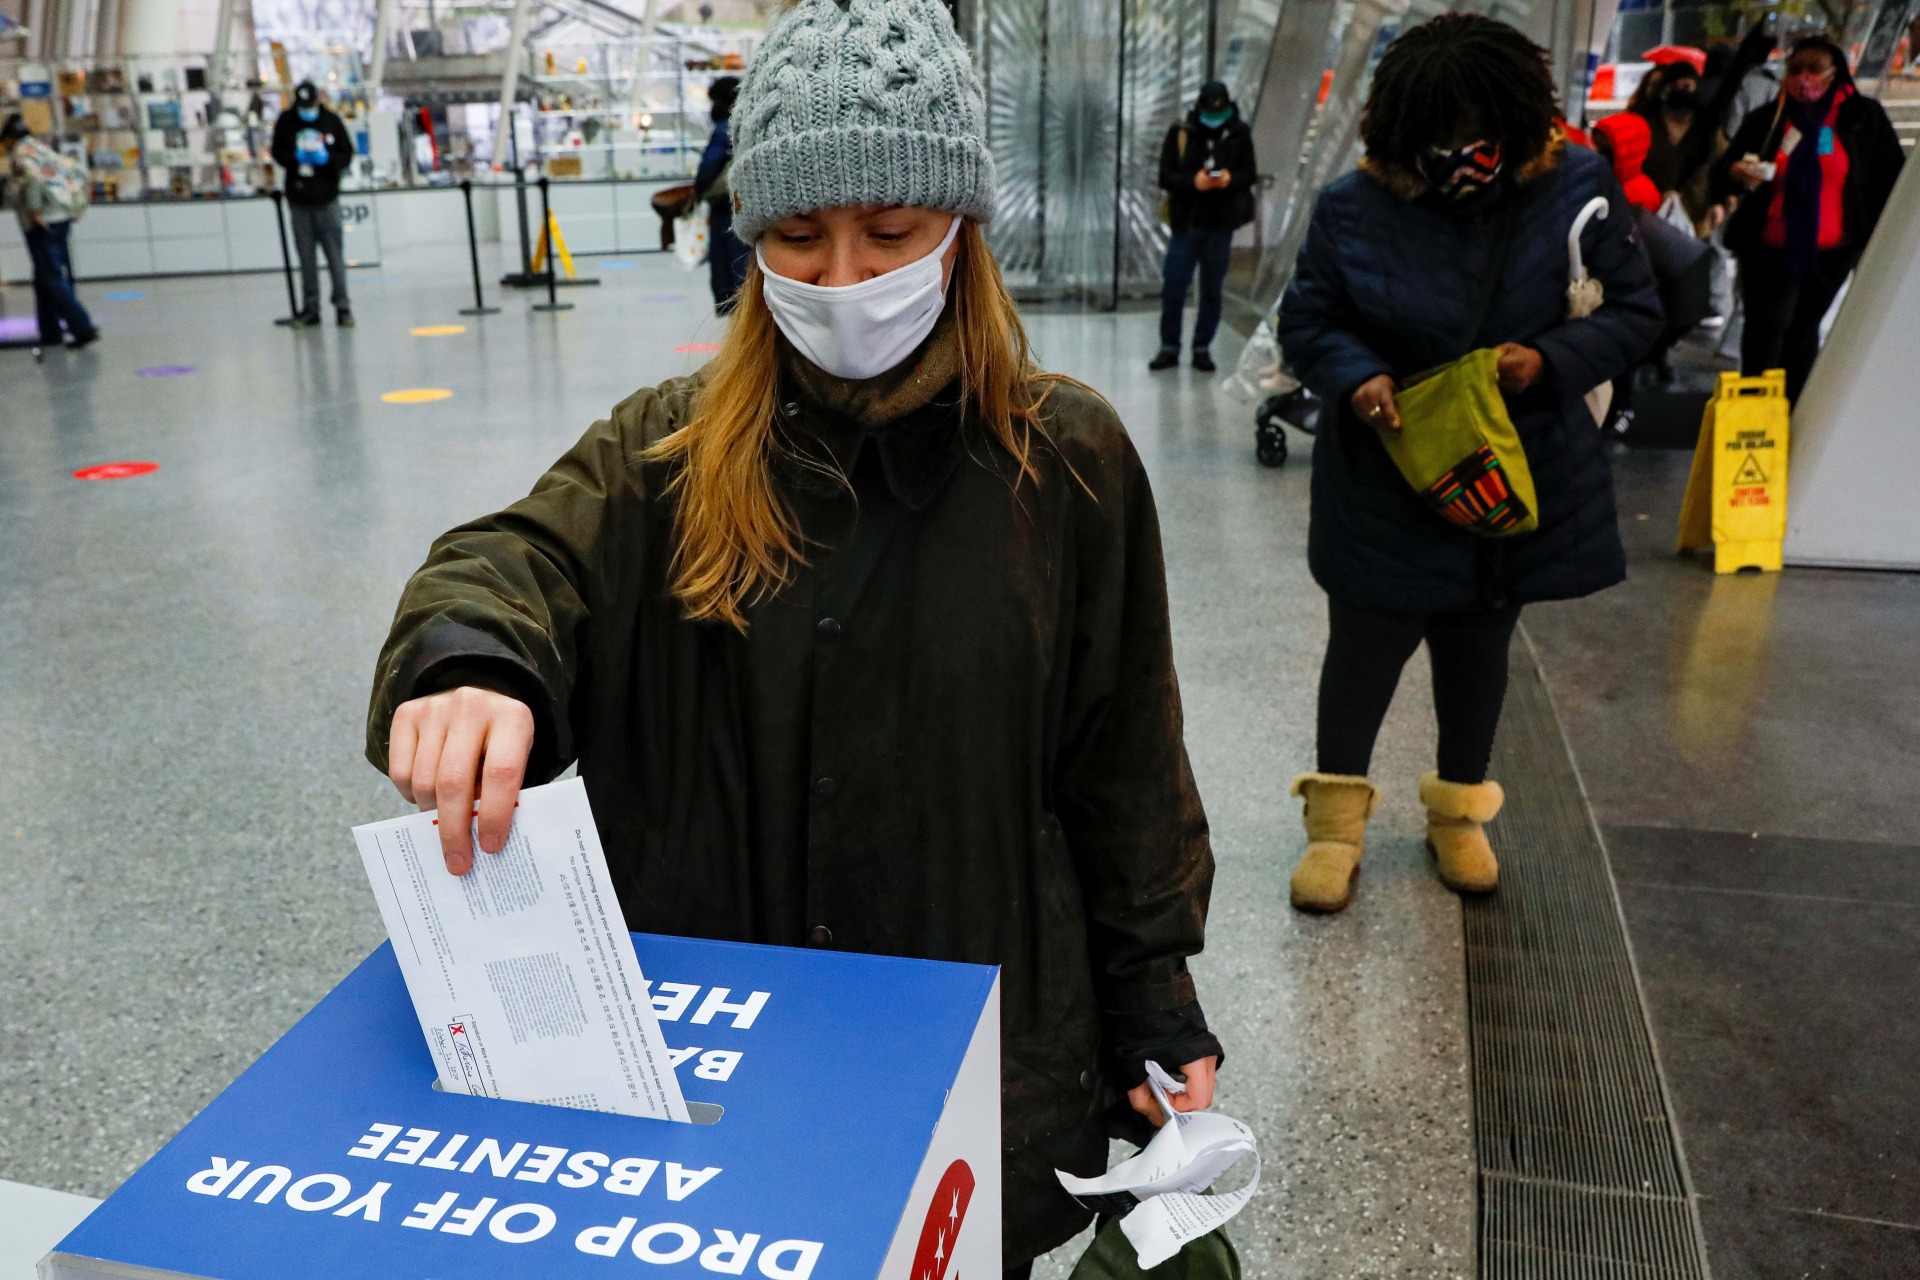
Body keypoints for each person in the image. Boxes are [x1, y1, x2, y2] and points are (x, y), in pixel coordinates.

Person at [362, 1, 1224, 1273]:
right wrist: (472, 659)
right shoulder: (668, 450)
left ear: (962, 231)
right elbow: (514, 557)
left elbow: (1124, 764)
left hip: (968, 1053)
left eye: (891, 233)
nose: (842, 278)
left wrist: (1155, 996)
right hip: (722, 1068)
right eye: (796, 236)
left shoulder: (1065, 461)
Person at [1275, 13, 1661, 913]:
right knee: (1364, 651)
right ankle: (1336, 826)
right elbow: (1309, 322)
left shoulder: (1577, 189)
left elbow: (1637, 310)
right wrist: (1357, 376)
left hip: (1510, 476)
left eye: (1478, 133)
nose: (1460, 154)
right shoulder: (1350, 209)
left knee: (1478, 648)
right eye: (1438, 135)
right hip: (1386, 477)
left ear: (1517, 120)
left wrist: (1551, 363)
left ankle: (1459, 813)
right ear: (1400, 128)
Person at [1715, 36, 1905, 403]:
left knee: (1803, 329)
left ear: (1835, 73)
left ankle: (1793, 410)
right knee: (1767, 328)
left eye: (1814, 69)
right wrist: (1737, 171)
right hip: (1769, 247)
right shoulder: (1768, 119)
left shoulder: (1862, 118)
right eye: (1796, 69)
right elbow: (1721, 172)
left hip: (1834, 250)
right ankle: (1754, 412)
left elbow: (1890, 175)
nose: (1804, 78)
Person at [1150, 80, 1256, 373]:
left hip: (1220, 224)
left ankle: (1202, 347)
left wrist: (1229, 179)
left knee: (1212, 289)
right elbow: (1165, 175)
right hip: (1186, 223)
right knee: (1174, 286)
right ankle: (1169, 346)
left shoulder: (1238, 132)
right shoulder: (1182, 131)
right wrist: (1193, 182)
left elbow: (1249, 172)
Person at [2, 113, 98, 350]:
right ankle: (50, 331)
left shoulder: (21, 154)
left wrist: (34, 210)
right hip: (60, 218)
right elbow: (76, 171)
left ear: (10, 139)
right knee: (44, 279)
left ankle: (82, 328)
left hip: (42, 223)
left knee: (52, 279)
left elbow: (33, 180)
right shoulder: (41, 149)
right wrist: (75, 204)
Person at [269, 81, 355, 329]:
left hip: (327, 198)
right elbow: (277, 151)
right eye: (302, 104)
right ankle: (310, 308)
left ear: (318, 99)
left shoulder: (331, 121)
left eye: (310, 104)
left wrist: (328, 161)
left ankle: (343, 307)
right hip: (299, 199)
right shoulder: (287, 121)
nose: (306, 109)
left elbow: (346, 153)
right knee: (306, 258)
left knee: (334, 256)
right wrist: (294, 158)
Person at [1629, 59, 1725, 230]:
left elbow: (1719, 166)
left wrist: (1719, 200)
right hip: (1648, 218)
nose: (1684, 91)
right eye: (1679, 86)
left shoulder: (1706, 129)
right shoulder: (1646, 125)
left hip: (1696, 221)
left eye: (1689, 86)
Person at [694, 75, 749, 314]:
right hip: (748, 209)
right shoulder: (750, 125)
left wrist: (698, 191)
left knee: (730, 277)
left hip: (724, 212)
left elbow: (706, 174)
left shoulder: (723, 130)